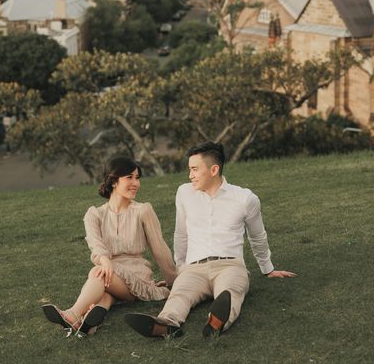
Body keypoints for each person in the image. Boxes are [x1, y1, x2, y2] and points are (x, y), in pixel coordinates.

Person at [125, 141, 295, 339]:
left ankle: (217, 322)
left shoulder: (245, 198)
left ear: (214, 169)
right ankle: (166, 324)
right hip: (194, 269)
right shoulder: (184, 193)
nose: (190, 175)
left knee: (231, 292)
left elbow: (257, 236)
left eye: (195, 169)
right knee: (179, 295)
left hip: (230, 266)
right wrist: (180, 268)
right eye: (190, 170)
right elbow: (181, 234)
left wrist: (268, 269)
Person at [42, 155, 178, 338]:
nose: (135, 183)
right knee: (104, 285)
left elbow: (159, 248)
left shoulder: (143, 210)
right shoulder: (94, 214)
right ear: (114, 181)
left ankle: (73, 313)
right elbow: (96, 244)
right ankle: (89, 322)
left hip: (136, 277)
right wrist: (106, 262)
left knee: (98, 273)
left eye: (137, 178)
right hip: (111, 277)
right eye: (129, 177)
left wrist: (174, 281)